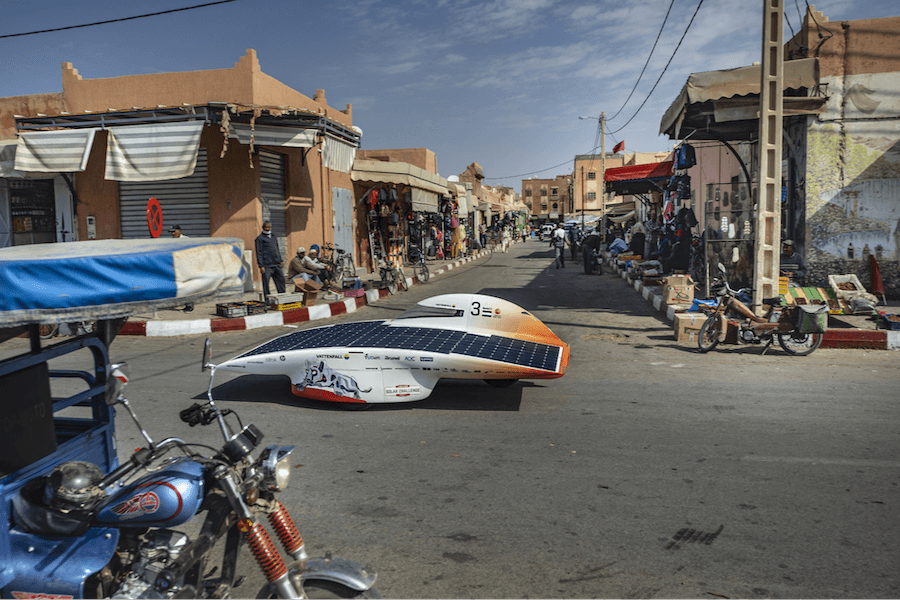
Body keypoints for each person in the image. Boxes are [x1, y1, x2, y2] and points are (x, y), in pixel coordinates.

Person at [255, 221, 285, 299]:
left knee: (281, 281)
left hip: (276, 264)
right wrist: (261, 265)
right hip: (267, 265)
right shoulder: (259, 239)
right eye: (266, 227)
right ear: (263, 227)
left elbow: (277, 249)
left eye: (269, 227)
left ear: (271, 228)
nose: (267, 229)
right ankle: (267, 301)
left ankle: (282, 298)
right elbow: (259, 253)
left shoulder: (274, 236)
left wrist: (281, 260)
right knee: (266, 284)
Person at [170, 225, 193, 311]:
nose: (172, 234)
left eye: (174, 231)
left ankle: (189, 305)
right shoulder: (172, 242)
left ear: (179, 231)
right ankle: (182, 303)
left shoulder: (186, 240)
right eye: (171, 232)